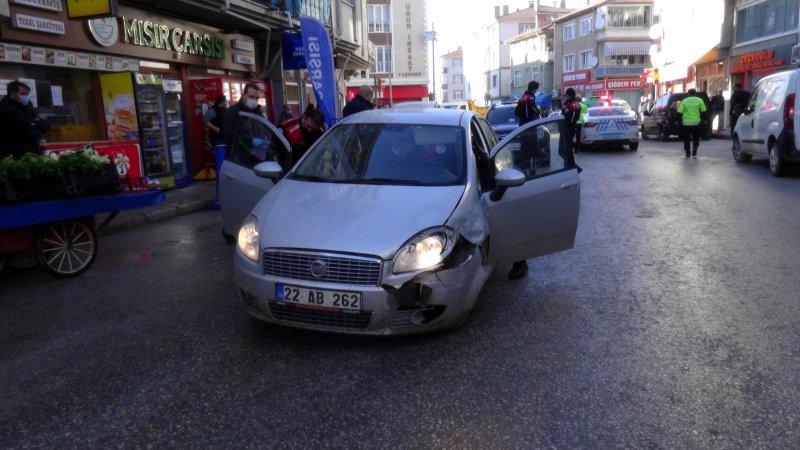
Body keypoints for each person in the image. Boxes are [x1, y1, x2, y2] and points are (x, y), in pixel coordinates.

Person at [508, 80, 543, 280]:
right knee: (532, 154)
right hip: (528, 131)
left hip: (523, 129)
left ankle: (527, 167)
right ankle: (530, 170)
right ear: (535, 88)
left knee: (528, 155)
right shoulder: (529, 99)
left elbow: (519, 113)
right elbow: (529, 115)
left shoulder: (524, 97)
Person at [0, 80, 49, 159]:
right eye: (23, 94)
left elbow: (44, 125)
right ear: (12, 94)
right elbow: (28, 130)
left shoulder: (27, 106)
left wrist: (34, 124)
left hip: (30, 151)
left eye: (27, 94)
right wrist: (34, 123)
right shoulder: (6, 108)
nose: (26, 97)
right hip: (14, 154)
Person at [221, 83, 262, 150]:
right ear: (243, 96)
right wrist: (251, 140)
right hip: (237, 156)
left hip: (256, 154)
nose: (254, 100)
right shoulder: (232, 112)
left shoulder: (257, 112)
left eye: (257, 98)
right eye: (251, 97)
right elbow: (229, 136)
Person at [677, 88, 707, 157]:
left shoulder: (684, 101)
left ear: (688, 94)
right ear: (695, 93)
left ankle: (687, 152)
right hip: (696, 123)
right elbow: (704, 112)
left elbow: (679, 112)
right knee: (695, 137)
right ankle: (695, 148)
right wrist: (703, 120)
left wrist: (679, 121)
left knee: (686, 138)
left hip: (686, 123)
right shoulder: (700, 100)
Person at [561, 87, 582, 153]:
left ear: (567, 95)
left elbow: (567, 116)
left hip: (569, 126)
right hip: (577, 124)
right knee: (575, 140)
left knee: (568, 144)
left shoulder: (569, 104)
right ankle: (576, 149)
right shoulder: (576, 103)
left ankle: (570, 158)